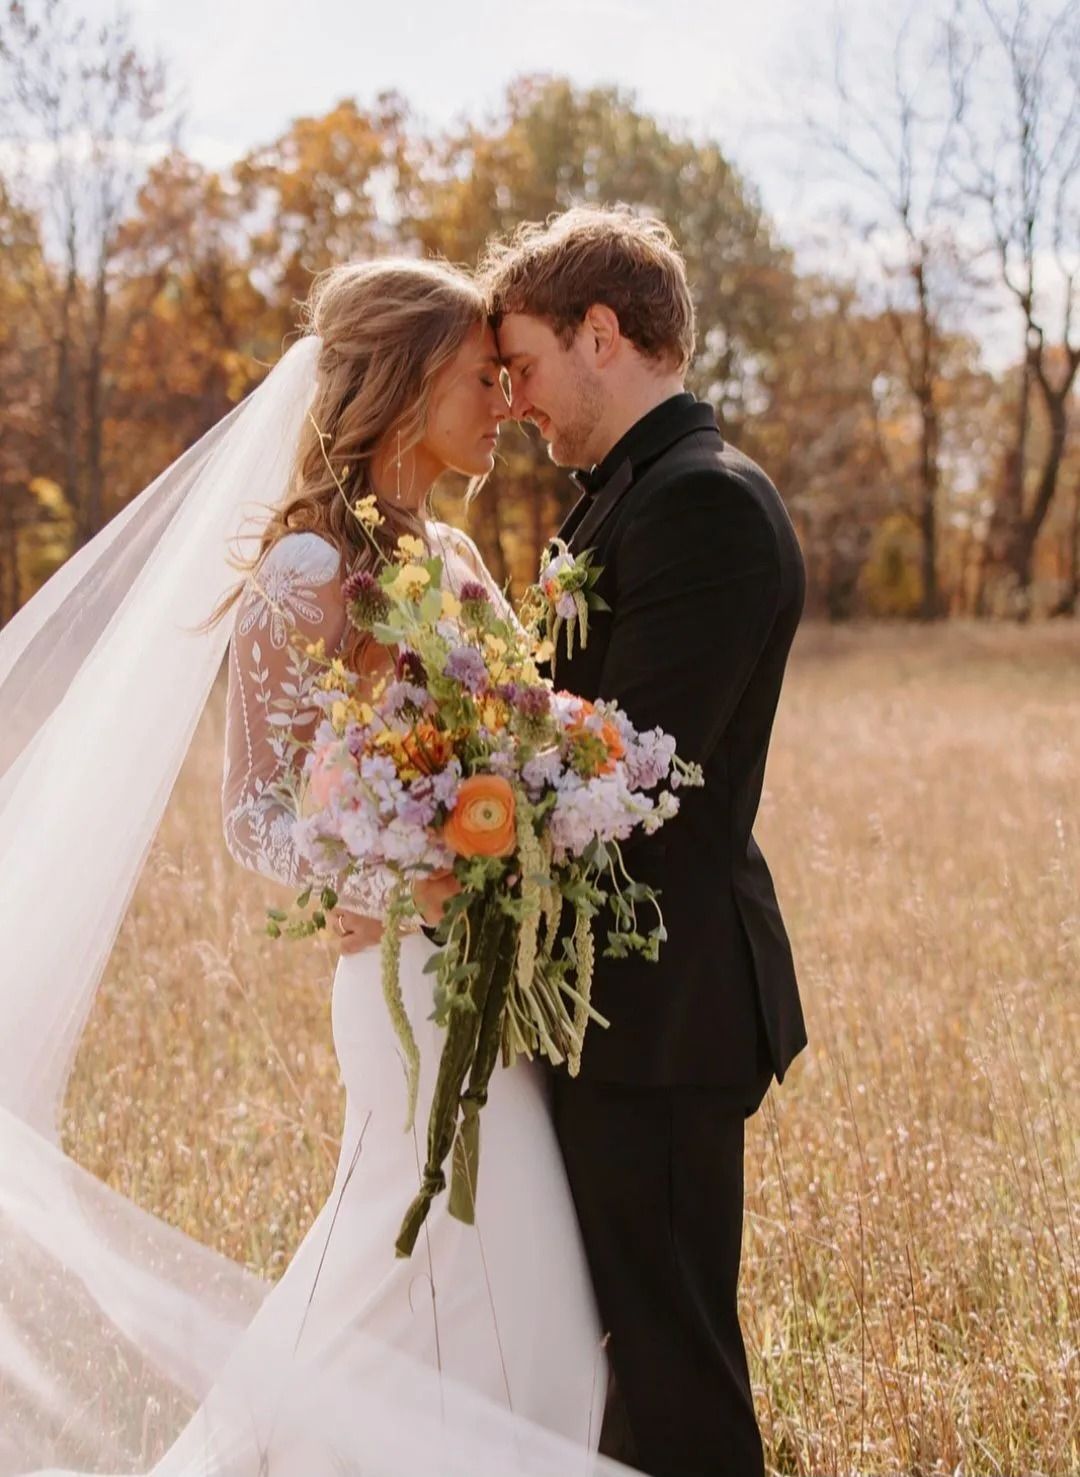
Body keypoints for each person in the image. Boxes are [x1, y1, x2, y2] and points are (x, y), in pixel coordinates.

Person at [0, 259, 611, 1475]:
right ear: (400, 387)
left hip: (498, 988)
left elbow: (517, 740)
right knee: (472, 1284)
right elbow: (254, 813)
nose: (503, 402)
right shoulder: (307, 573)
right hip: (409, 998)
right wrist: (394, 882)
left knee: (476, 1302)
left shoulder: (463, 562)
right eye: (479, 376)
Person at [482, 206, 808, 1477]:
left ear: (601, 333)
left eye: (524, 364)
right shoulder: (634, 494)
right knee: (623, 1348)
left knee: (672, 1360)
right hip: (616, 1001)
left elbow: (631, 770)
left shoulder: (704, 505)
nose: (514, 399)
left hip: (664, 1005)